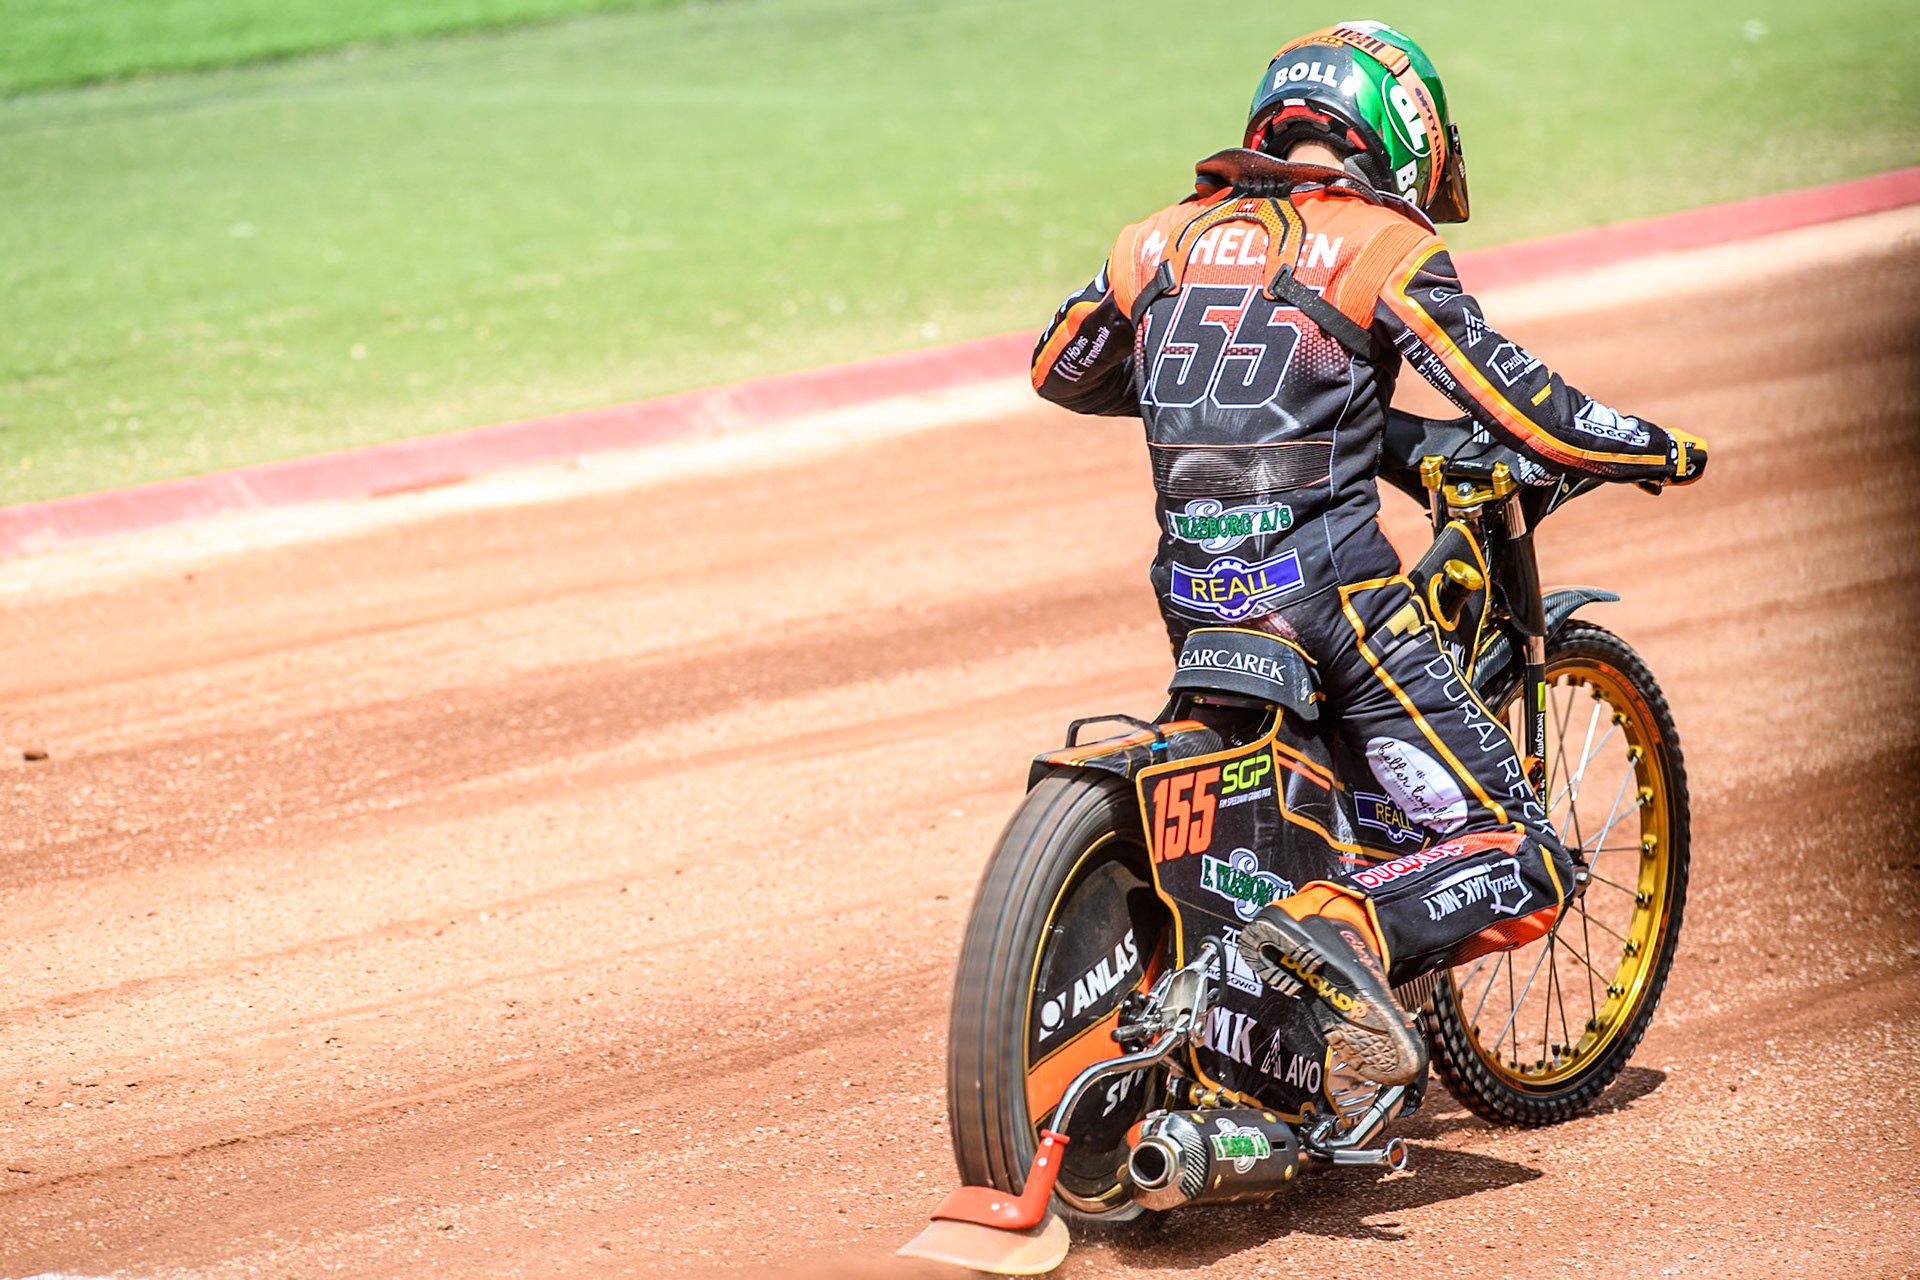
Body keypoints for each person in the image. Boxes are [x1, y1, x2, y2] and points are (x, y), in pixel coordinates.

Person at [1030, 20, 1708, 1085]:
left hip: (1197, 599)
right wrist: (1646, 444)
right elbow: (1517, 401)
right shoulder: (1377, 244)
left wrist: (1209, 390)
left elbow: (1060, 366)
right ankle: (1344, 932)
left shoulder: (1153, 241)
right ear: (1398, 140)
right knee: (1522, 859)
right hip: (1334, 608)